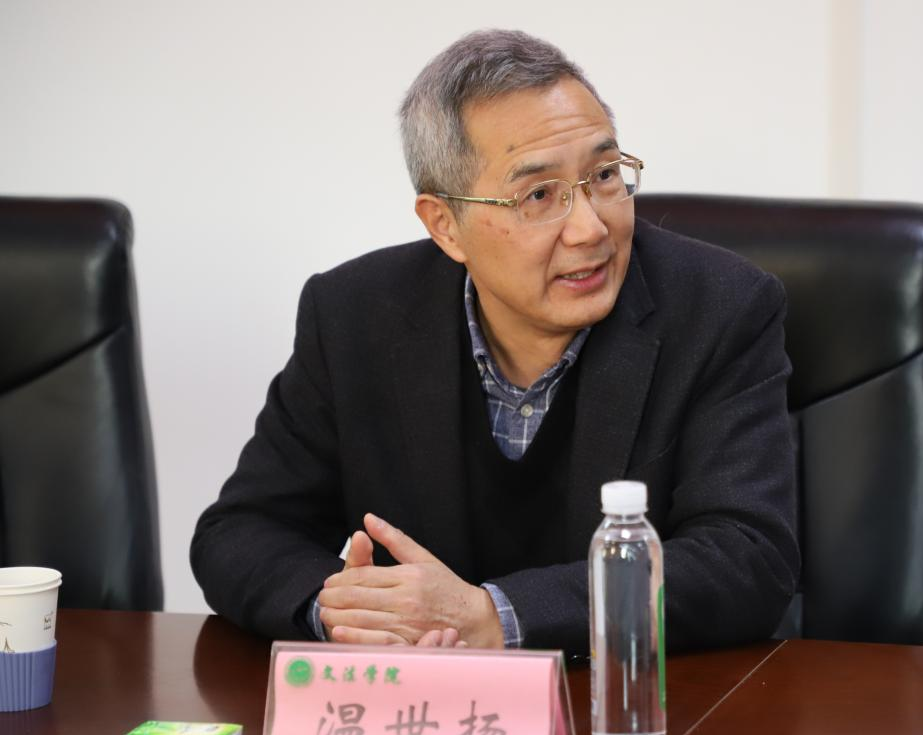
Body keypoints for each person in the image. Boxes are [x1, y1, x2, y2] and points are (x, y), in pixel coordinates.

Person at [191, 29, 798, 657]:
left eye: (603, 175)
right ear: (445, 226)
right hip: (424, 708)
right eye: (538, 195)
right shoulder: (353, 314)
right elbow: (240, 531)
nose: (590, 228)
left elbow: (748, 556)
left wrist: (497, 617)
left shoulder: (720, 308)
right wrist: (345, 611)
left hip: (632, 699)